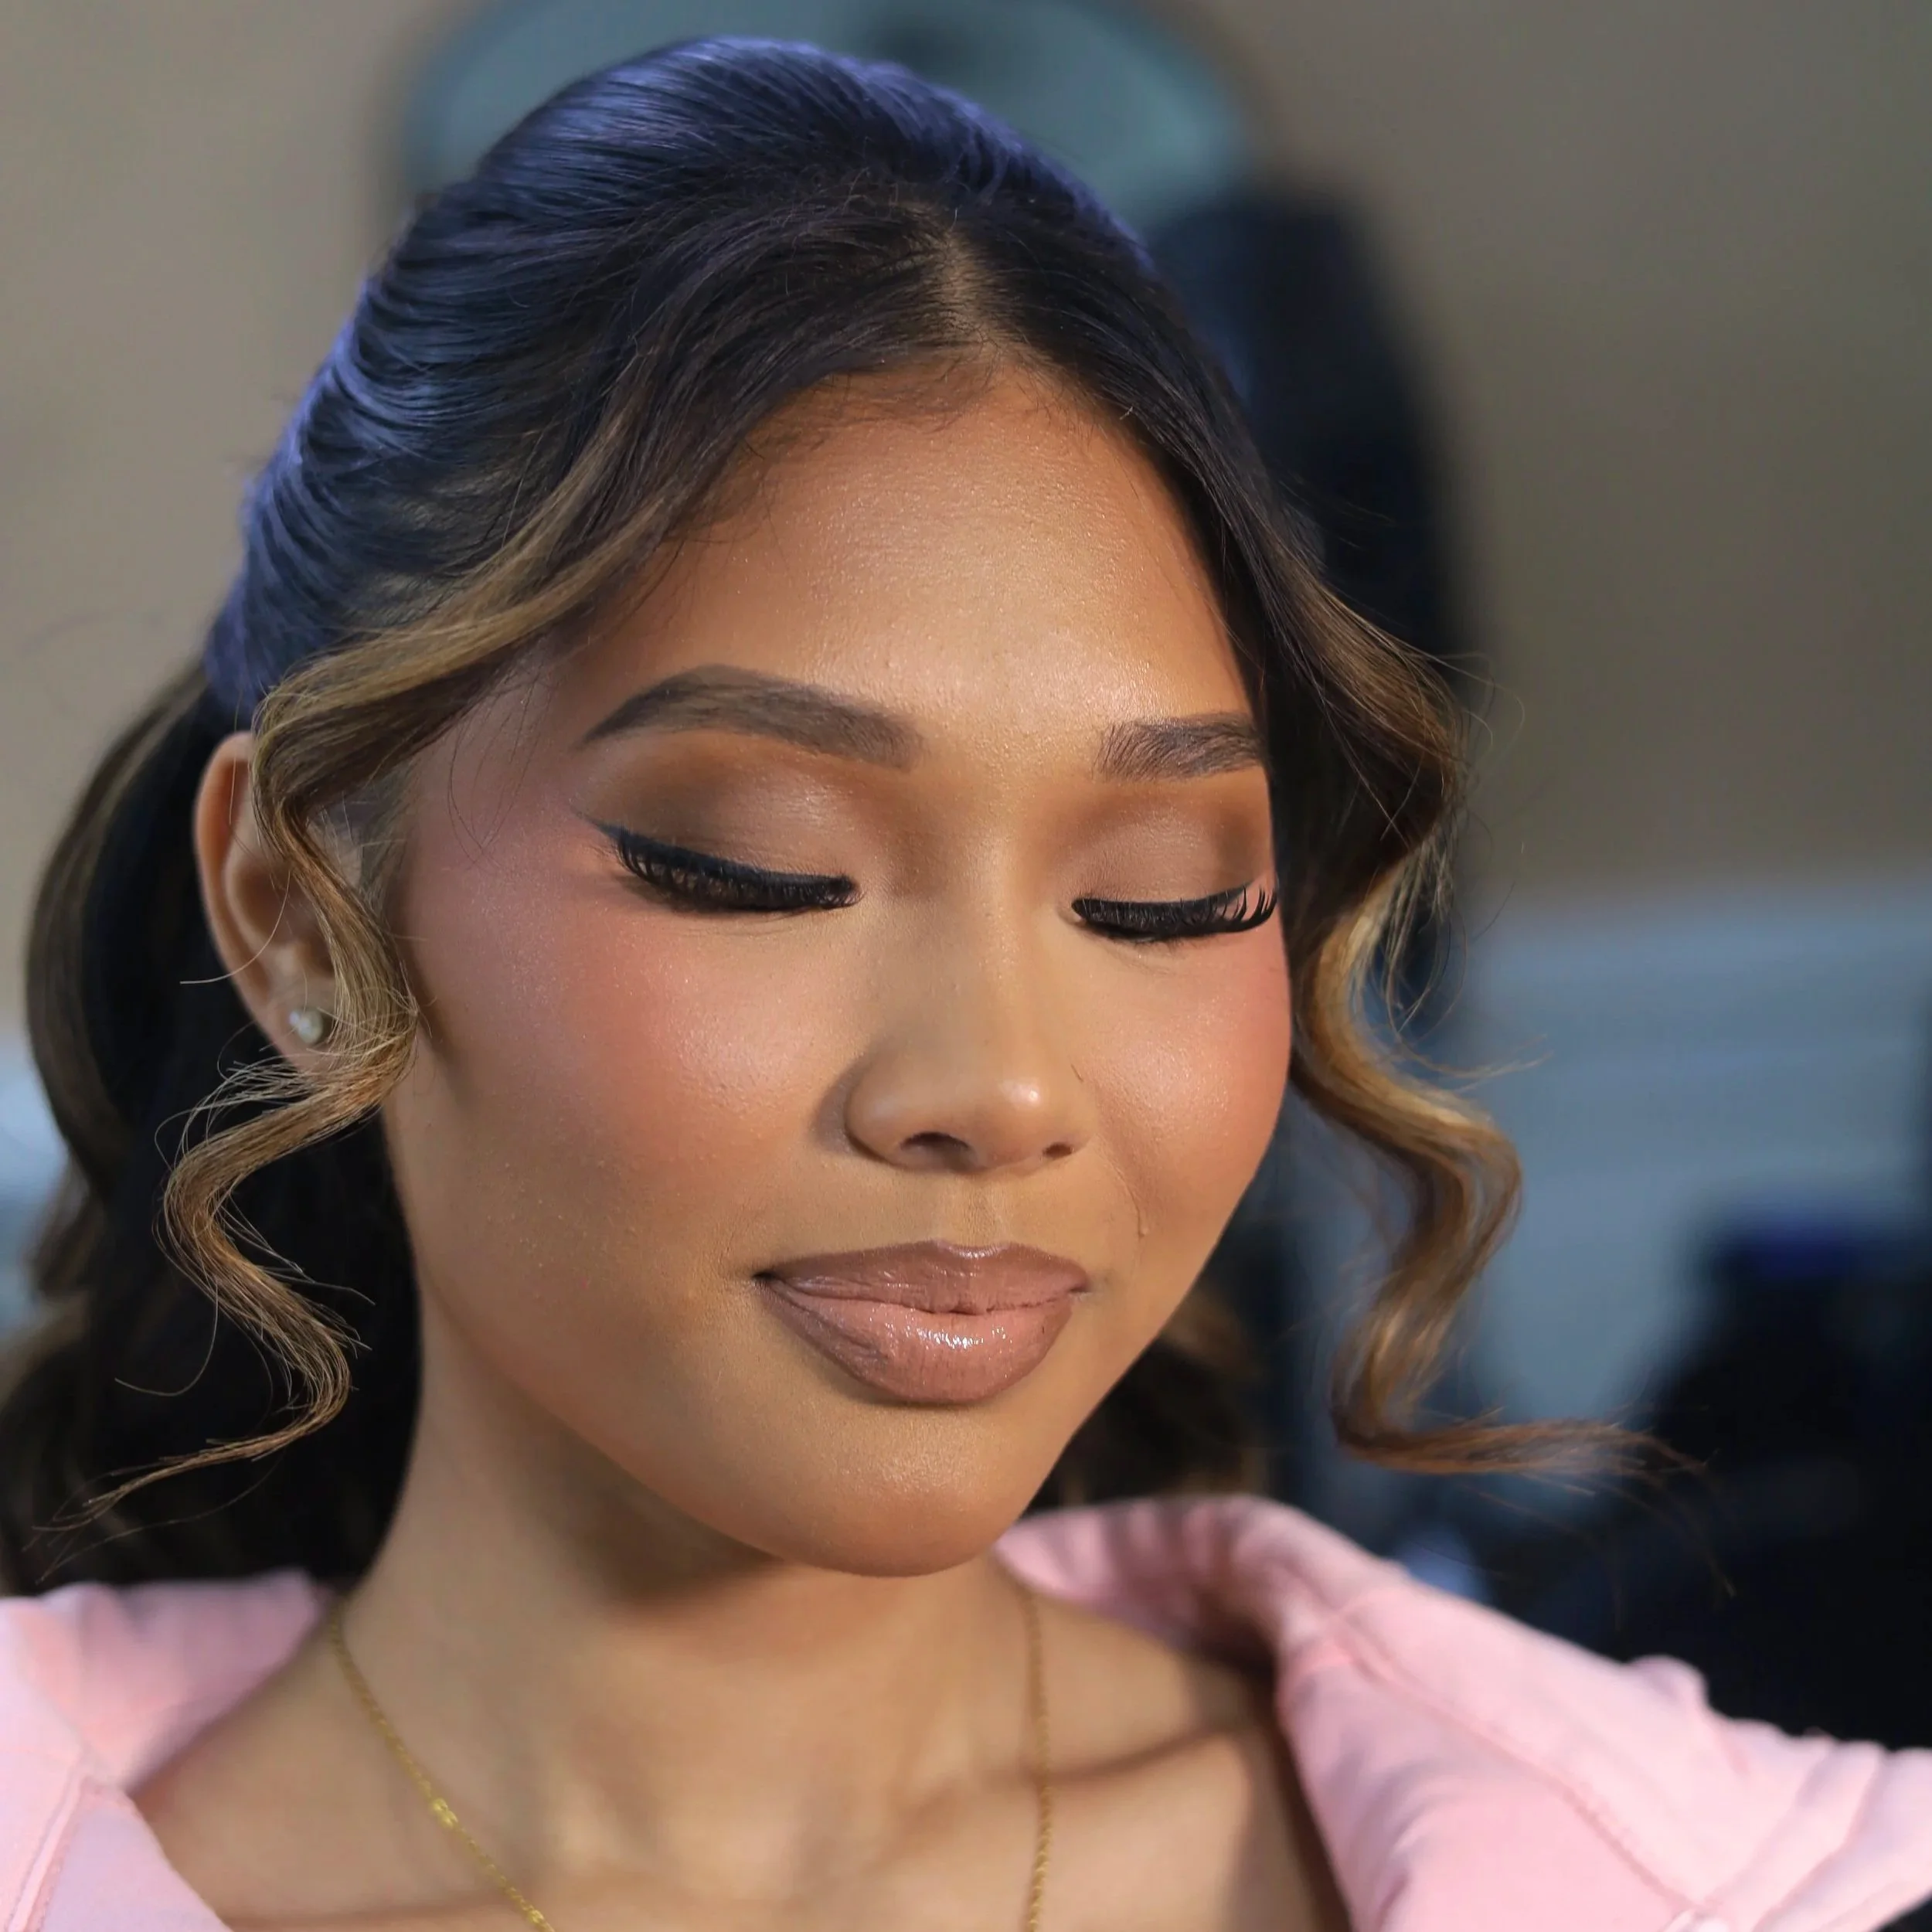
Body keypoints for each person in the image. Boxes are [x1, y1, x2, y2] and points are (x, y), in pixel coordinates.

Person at [0, 39, 1926, 1932]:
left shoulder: (1756, 1884)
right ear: (297, 906)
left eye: (1164, 899)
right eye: (757, 866)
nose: (999, 1087)